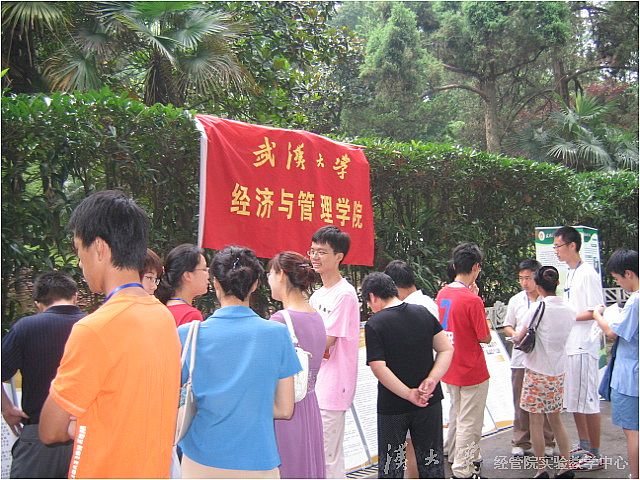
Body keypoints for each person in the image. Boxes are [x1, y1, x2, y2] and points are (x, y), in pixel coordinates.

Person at [38, 190, 181, 478]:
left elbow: (49, 430)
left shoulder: (95, 329)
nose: (80, 263)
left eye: (79, 251)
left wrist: (79, 423)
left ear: (99, 248)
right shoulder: (162, 317)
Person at [177, 246, 301, 478]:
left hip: (200, 458)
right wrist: (249, 406)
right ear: (255, 285)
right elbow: (285, 409)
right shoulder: (276, 334)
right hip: (258, 459)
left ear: (215, 283)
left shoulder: (187, 335)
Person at [363, 272, 453, 479]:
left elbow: (379, 367)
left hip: (392, 405)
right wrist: (432, 379)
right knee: (431, 459)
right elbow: (446, 349)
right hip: (429, 399)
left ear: (373, 297)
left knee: (391, 464)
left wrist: (408, 393)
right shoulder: (422, 312)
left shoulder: (375, 323)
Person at [1, 272, 85, 478]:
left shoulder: (25, 328)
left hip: (38, 434)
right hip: (86, 434)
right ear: (75, 296)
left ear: (38, 303)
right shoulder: (94, 325)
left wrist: (7, 407)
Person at [267, 251, 327, 478]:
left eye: (270, 274)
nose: (268, 279)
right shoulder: (316, 317)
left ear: (281, 275)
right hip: (309, 405)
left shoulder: (280, 321)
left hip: (287, 409)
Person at [308, 226, 360, 479]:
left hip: (333, 386)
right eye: (312, 251)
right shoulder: (317, 295)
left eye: (322, 252)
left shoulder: (345, 295)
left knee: (327, 458)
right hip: (316, 384)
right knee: (323, 456)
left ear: (339, 257)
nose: (315, 257)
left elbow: (326, 340)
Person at [435, 242, 491, 479]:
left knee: (457, 413)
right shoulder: (472, 300)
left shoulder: (442, 293)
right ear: (476, 267)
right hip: (471, 369)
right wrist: (476, 300)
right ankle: (463, 470)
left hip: (449, 365)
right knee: (470, 421)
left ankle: (452, 452)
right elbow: (484, 336)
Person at [553, 226, 604, 470]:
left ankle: (596, 452)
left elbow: (596, 309)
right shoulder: (570, 273)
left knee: (589, 401)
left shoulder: (588, 273)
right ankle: (584, 445)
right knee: (575, 400)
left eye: (558, 246)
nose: (556, 251)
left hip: (584, 346)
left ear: (572, 245)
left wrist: (568, 316)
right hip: (571, 346)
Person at [384, 259, 439, 478]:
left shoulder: (410, 309)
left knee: (412, 444)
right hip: (428, 381)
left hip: (412, 384)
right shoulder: (427, 303)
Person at [593, 249, 639, 479]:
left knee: (633, 431)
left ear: (628, 274)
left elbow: (613, 332)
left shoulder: (635, 301)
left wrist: (597, 315)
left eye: (617, 278)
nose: (618, 283)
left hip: (631, 377)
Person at [503, 259, 556, 458]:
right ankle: (520, 441)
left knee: (545, 400)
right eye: (521, 278)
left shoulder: (548, 301)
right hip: (520, 357)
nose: (524, 282)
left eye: (528, 278)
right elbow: (507, 325)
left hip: (543, 359)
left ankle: (548, 441)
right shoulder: (516, 300)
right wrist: (517, 335)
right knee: (520, 400)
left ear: (538, 277)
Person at [156, 243, 208, 326]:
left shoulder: (159, 309)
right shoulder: (190, 315)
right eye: (204, 269)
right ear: (187, 275)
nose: (208, 275)